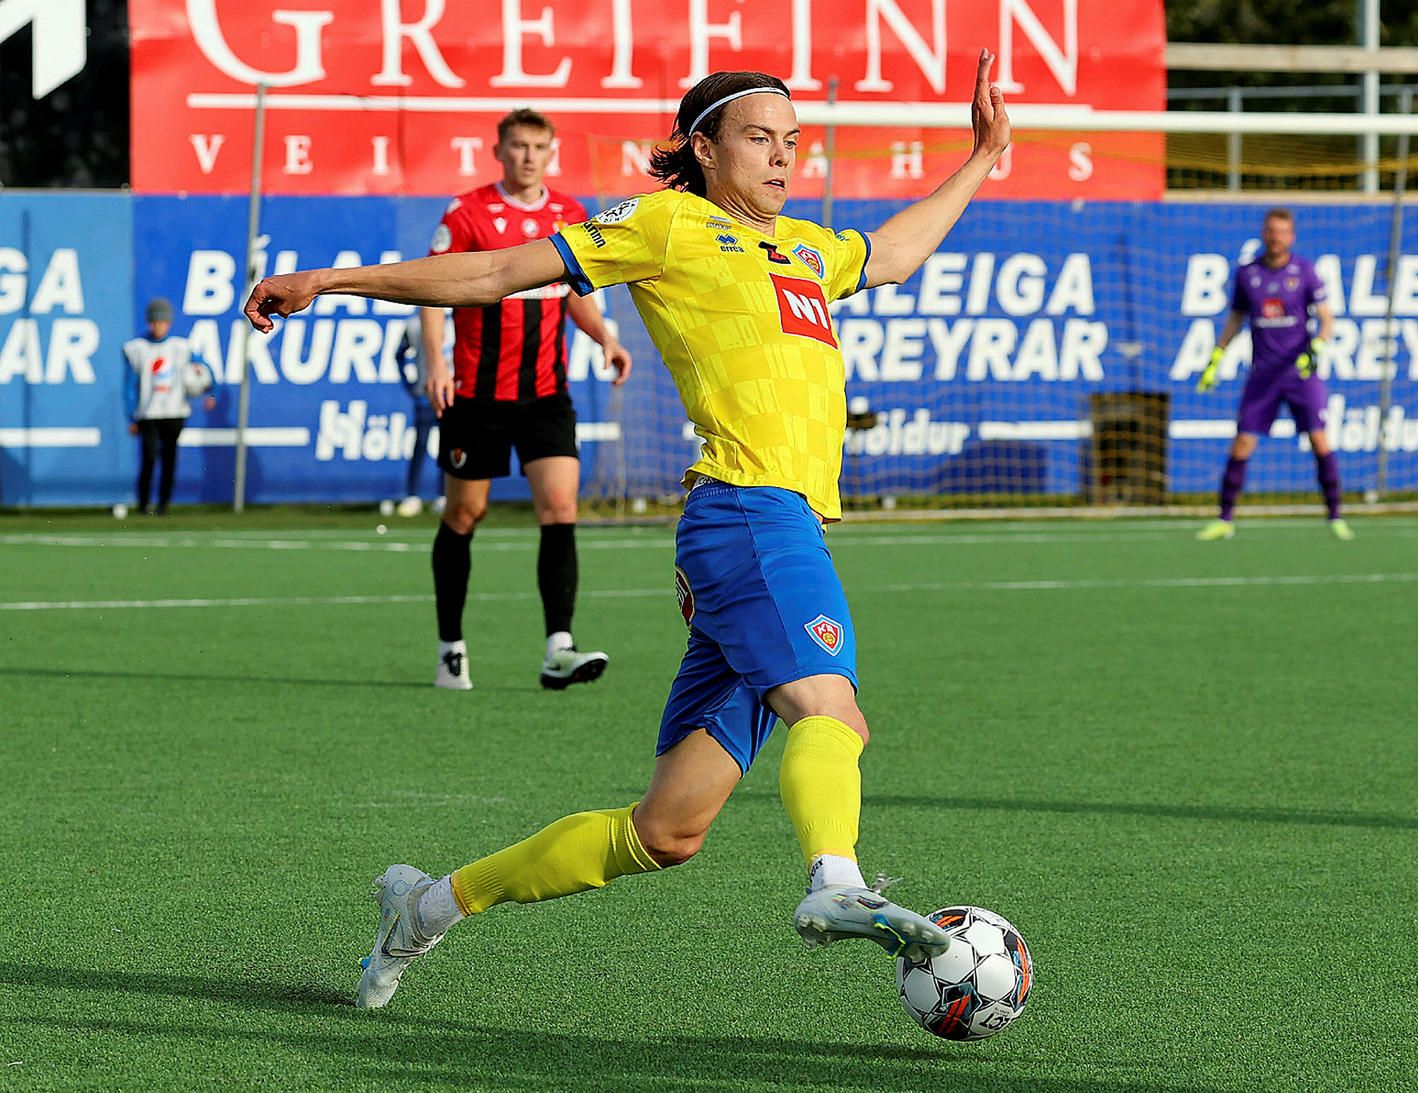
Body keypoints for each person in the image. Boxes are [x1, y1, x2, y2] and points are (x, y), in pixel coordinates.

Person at [246, 51, 1011, 1011]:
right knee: (832, 712)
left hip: (765, 532)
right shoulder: (665, 223)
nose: (781, 158)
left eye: (792, 142)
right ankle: (834, 881)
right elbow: (492, 272)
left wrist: (982, 156)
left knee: (666, 831)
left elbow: (893, 255)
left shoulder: (810, 247)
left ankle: (427, 907)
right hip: (749, 511)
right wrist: (333, 278)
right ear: (704, 146)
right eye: (759, 138)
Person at [420, 108, 635, 691]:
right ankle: (451, 647)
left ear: (551, 152)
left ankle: (558, 648)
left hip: (546, 394)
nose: (528, 156)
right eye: (517, 146)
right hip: (476, 395)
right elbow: (433, 292)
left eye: (538, 146)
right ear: (499, 151)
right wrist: (435, 359)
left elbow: (574, 293)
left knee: (560, 508)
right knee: (465, 514)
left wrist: (607, 339)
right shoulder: (465, 214)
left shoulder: (568, 215)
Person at [1194, 208, 1353, 542]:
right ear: (1263, 234)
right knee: (1242, 442)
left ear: (1291, 237)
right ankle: (1224, 518)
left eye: (1281, 232)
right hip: (1262, 375)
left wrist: (1317, 349)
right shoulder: (1247, 274)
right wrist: (1216, 356)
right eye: (1270, 231)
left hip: (1299, 374)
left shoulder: (1304, 272)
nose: (1275, 237)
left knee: (1319, 439)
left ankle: (1336, 515)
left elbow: (1326, 318)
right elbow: (1236, 319)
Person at [123, 298, 214, 516]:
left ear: (169, 324)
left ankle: (164, 505)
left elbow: (206, 371)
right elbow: (128, 385)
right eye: (155, 322)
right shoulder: (136, 348)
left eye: (163, 322)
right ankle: (144, 504)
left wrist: (212, 392)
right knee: (150, 457)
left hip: (174, 411)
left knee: (170, 459)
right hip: (148, 413)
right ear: (149, 323)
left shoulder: (181, 347)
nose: (158, 326)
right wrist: (131, 416)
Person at [393, 320, 441, 518]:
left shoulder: (460, 314)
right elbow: (400, 354)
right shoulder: (415, 323)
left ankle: (445, 496)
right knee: (420, 445)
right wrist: (410, 384)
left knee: (452, 448)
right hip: (425, 393)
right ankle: (412, 496)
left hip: (453, 393)